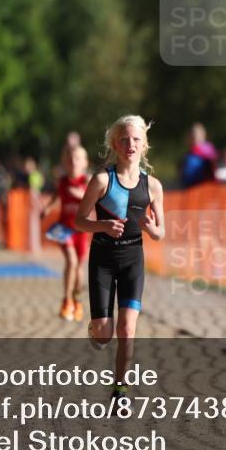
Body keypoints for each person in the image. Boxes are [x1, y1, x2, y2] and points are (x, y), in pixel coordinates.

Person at [74, 115, 165, 403]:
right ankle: (96, 329)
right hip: (102, 258)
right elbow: (79, 220)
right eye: (124, 139)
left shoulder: (153, 186)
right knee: (105, 334)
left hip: (132, 260)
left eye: (136, 139)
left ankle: (120, 391)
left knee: (127, 329)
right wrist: (102, 225)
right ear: (115, 144)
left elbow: (161, 232)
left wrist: (151, 228)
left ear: (144, 145)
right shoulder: (102, 180)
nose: (130, 144)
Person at [42, 145, 91, 321]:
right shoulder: (62, 181)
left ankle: (77, 301)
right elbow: (57, 195)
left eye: (77, 158)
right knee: (71, 261)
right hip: (64, 230)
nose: (73, 162)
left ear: (85, 162)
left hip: (82, 230)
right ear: (65, 162)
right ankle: (67, 301)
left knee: (79, 268)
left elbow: (97, 200)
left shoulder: (87, 181)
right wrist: (48, 208)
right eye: (70, 159)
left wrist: (81, 195)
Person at [180, 122, 218, 188]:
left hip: (206, 189)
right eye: (191, 136)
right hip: (191, 189)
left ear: (203, 136)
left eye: (195, 135)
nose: (193, 138)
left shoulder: (209, 155)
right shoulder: (189, 156)